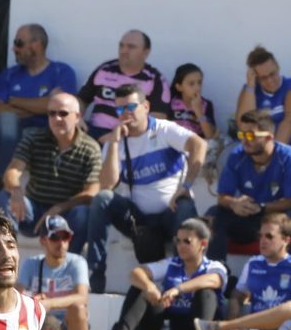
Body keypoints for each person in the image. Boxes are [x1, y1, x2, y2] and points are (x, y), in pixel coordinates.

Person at [85, 84, 206, 293]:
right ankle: (95, 280)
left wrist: (186, 185)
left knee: (186, 206)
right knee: (101, 199)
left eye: (131, 107)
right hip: (139, 220)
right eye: (120, 110)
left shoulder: (163, 129)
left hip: (172, 213)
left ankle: (187, 281)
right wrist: (114, 144)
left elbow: (199, 145)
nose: (126, 114)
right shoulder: (115, 141)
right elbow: (106, 184)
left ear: (146, 106)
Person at [103, 219, 226, 330]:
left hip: (195, 326)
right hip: (171, 323)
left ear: (203, 244)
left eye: (187, 241)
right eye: (178, 241)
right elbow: (136, 272)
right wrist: (150, 287)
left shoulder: (214, 266)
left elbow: (214, 280)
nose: (180, 246)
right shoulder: (171, 263)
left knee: (207, 293)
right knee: (140, 287)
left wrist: (178, 289)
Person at [0, 91, 99, 244]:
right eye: (51, 113)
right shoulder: (34, 139)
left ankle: (73, 261)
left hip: (67, 215)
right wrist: (16, 190)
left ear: (77, 117)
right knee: (4, 196)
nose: (56, 118)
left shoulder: (90, 148)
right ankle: (6, 254)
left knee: (82, 212)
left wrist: (59, 208)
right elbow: (12, 171)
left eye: (63, 113)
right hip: (34, 212)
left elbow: (91, 193)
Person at [208, 108, 291, 260]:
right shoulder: (237, 155)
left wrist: (261, 208)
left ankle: (289, 269)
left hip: (277, 219)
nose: (245, 140)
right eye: (241, 134)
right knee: (214, 214)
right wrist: (234, 203)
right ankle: (216, 272)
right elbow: (222, 197)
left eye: (251, 135)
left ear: (269, 137)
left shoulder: (287, 156)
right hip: (248, 220)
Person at [0, 23, 77, 179]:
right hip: (12, 133)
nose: (14, 48)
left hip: (46, 133)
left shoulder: (61, 71)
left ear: (37, 45)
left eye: (19, 43)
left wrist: (14, 101)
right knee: (7, 121)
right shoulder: (9, 75)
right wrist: (43, 104)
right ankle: (2, 183)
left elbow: (60, 108)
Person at [77, 29, 170, 139]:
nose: (123, 50)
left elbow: (158, 118)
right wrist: (77, 117)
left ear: (146, 52)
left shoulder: (155, 80)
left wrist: (118, 137)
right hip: (94, 135)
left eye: (131, 47)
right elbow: (82, 100)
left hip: (131, 139)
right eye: (121, 46)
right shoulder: (104, 70)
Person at [16, 215, 91, 330]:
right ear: (43, 241)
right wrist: (33, 301)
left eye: (65, 237)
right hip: (42, 325)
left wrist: (49, 303)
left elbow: (82, 298)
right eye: (55, 237)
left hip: (69, 325)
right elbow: (16, 296)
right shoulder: (31, 263)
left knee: (78, 309)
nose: (61, 242)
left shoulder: (77, 262)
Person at [236, 45, 291, 167]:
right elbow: (243, 124)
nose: (270, 80)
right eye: (263, 78)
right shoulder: (250, 90)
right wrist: (250, 86)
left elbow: (289, 124)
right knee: (228, 157)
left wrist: (269, 156)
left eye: (273, 74)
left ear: (278, 67)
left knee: (280, 162)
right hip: (257, 149)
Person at [168, 63, 217, 141]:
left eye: (199, 82)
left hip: (197, 146)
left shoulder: (206, 105)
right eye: (191, 84)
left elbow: (210, 135)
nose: (197, 87)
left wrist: (199, 111)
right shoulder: (171, 103)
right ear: (179, 87)